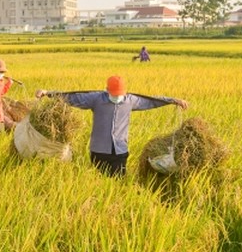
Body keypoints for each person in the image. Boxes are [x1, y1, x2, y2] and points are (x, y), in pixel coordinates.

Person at [36, 75, 187, 176]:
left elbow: (151, 101)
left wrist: (173, 100)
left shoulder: (130, 100)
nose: (117, 97)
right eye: (114, 94)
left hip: (120, 151)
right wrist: (48, 93)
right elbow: (73, 97)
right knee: (99, 182)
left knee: (118, 183)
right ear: (107, 90)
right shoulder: (95, 98)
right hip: (99, 151)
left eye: (119, 94)